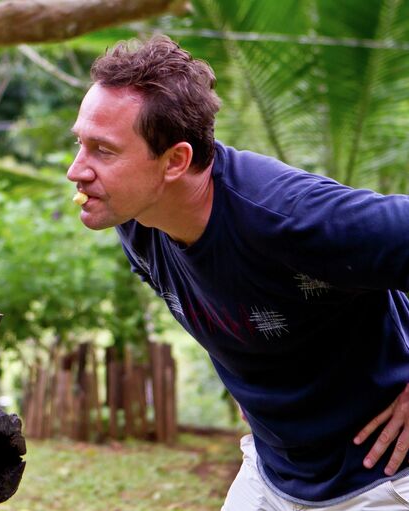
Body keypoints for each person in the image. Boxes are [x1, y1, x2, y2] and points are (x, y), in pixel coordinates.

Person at [66, 34, 409, 509]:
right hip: (273, 473)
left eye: (103, 150)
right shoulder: (136, 218)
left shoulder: (291, 216)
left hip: (384, 480)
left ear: (176, 161)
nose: (76, 170)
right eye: (80, 143)